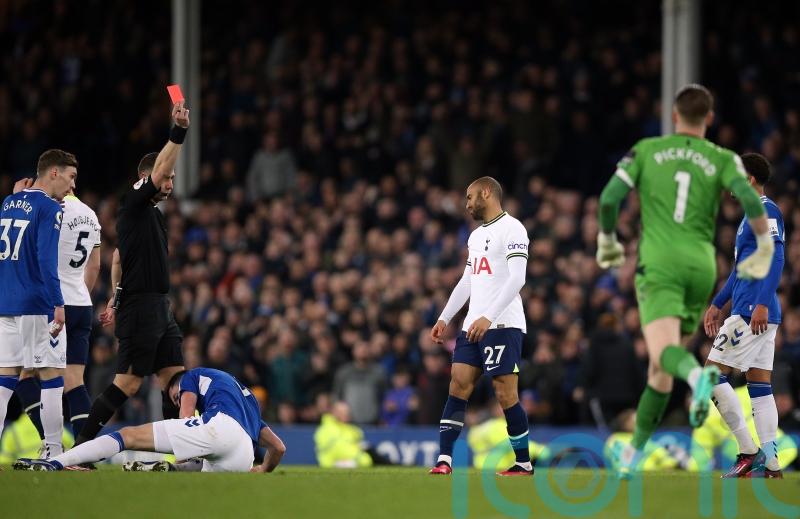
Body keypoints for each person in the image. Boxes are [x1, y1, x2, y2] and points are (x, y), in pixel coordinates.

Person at [596, 84, 775, 479]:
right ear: (709, 119)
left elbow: (609, 200)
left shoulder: (646, 150)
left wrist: (607, 240)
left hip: (660, 263)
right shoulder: (722, 157)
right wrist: (764, 244)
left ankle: (699, 376)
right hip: (701, 265)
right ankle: (633, 453)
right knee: (660, 371)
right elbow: (750, 199)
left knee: (664, 356)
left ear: (674, 116)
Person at [74, 101, 190, 446]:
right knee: (128, 383)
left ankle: (180, 454)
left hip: (157, 307)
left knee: (175, 381)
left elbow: (119, 257)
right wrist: (179, 132)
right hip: (141, 309)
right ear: (146, 179)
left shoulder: (151, 214)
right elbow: (160, 169)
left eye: (170, 178)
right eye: (165, 177)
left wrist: (114, 296)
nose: (170, 183)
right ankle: (80, 447)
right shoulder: (134, 203)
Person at [429, 176, 532, 476]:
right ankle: (444, 460)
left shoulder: (514, 229)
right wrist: (445, 317)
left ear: (486, 193)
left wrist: (489, 316)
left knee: (505, 394)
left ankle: (523, 463)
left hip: (503, 324)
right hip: (473, 325)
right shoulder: (475, 236)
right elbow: (468, 280)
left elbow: (518, 278)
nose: (467, 204)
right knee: (458, 385)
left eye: (470, 197)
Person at [13, 367, 286, 473]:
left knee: (128, 435)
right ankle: (162, 470)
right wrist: (261, 470)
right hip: (243, 455)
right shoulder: (248, 403)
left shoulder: (191, 377)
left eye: (174, 396)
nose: (177, 399)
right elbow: (278, 448)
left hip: (221, 429)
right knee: (202, 470)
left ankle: (56, 462)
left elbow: (185, 414)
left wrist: (181, 447)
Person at [702, 153, 786, 478]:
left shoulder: (766, 209)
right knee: (759, 384)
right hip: (752, 309)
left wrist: (762, 302)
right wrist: (717, 302)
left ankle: (748, 451)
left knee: (709, 377)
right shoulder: (749, 215)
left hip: (754, 310)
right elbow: (740, 270)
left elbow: (776, 256)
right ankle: (772, 464)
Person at [0, 149, 76, 458]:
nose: (72, 187)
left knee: (5, 379)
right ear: (53, 173)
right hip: (36, 303)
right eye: (71, 178)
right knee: (51, 376)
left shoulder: (9, 201)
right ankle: (54, 450)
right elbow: (46, 259)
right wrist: (58, 303)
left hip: (6, 302)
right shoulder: (49, 208)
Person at [13, 183, 101, 449]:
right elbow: (95, 264)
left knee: (24, 374)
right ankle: (85, 451)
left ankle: (50, 444)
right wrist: (80, 294)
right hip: (81, 303)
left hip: (52, 303)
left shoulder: (51, 210)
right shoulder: (91, 214)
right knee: (74, 381)